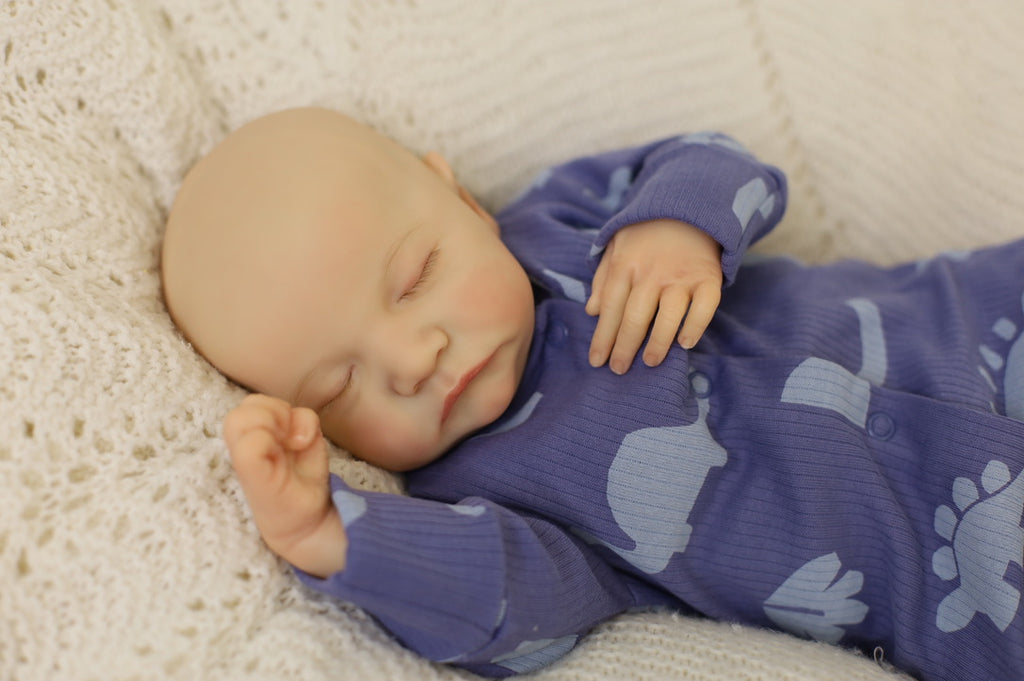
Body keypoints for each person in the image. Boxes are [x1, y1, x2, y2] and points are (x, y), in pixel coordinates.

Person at [161, 107, 1024, 681]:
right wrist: (332, 535)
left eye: (415, 277)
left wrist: (675, 224)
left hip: (972, 313)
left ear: (463, 200)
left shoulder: (564, 218)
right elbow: (516, 611)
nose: (413, 359)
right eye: (340, 385)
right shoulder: (478, 500)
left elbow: (718, 158)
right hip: (969, 584)